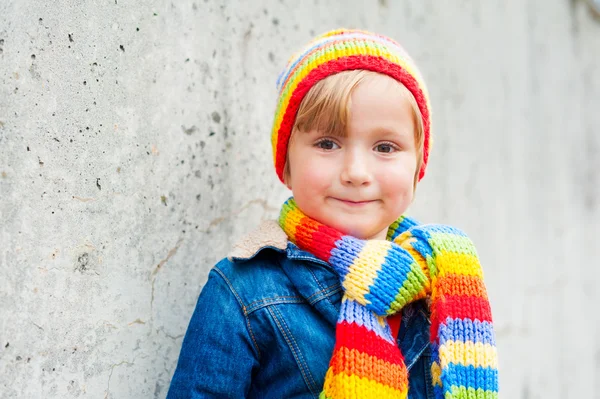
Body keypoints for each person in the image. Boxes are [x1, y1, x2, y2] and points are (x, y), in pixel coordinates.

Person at [166, 29, 499, 399]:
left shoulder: (439, 285)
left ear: (418, 166)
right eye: (327, 143)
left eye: (385, 147)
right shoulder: (243, 292)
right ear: (287, 165)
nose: (356, 172)